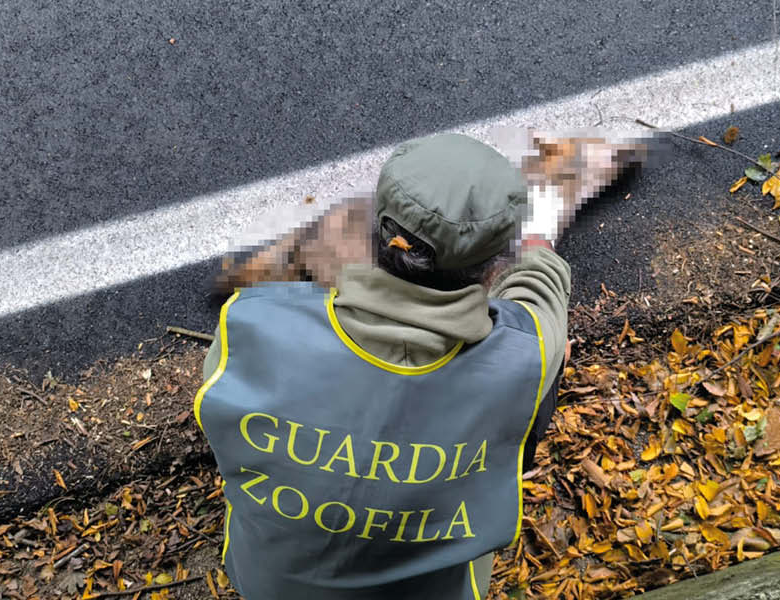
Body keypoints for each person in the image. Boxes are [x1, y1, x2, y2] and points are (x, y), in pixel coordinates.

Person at [195, 131, 642, 599]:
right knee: (548, 367)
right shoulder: (523, 355)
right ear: (493, 266)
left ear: (380, 229)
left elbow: (222, 418)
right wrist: (531, 239)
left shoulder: (251, 323)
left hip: (270, 587)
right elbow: (541, 292)